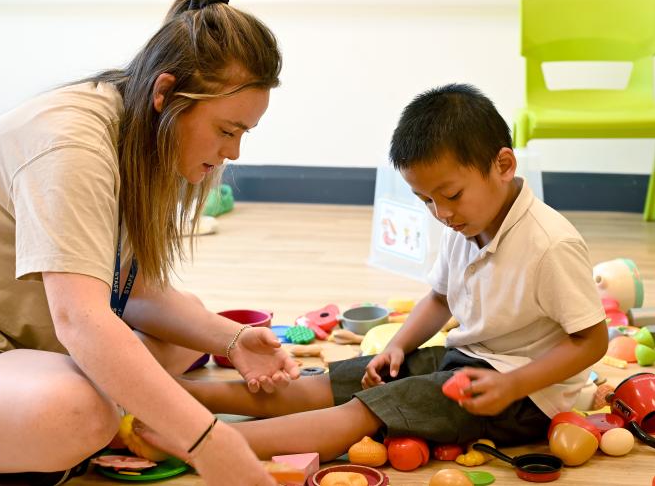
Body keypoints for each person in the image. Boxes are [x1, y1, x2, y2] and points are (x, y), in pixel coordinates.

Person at [0, 0, 297, 485]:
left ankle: (91, 414)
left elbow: (130, 287)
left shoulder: (133, 126)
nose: (234, 153)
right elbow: (80, 320)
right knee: (75, 412)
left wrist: (235, 339)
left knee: (185, 331)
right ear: (164, 93)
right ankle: (74, 426)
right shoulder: (72, 147)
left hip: (26, 343)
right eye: (227, 130)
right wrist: (209, 442)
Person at [155, 83, 610, 461]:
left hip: (525, 398)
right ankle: (168, 395)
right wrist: (397, 345)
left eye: (450, 195)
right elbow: (440, 299)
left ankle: (198, 446)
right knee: (334, 381)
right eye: (427, 200)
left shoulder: (551, 243)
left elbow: (592, 340)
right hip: (472, 361)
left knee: (364, 411)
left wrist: (513, 384)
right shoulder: (466, 220)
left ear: (503, 166)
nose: (440, 213)